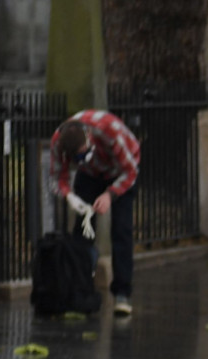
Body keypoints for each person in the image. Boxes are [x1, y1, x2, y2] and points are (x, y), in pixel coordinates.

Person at [48, 111, 142, 316]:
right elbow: (57, 178)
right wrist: (70, 196)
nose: (81, 158)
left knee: (121, 229)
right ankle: (79, 288)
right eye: (77, 158)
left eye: (84, 153)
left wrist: (110, 194)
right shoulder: (58, 141)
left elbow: (131, 171)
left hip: (121, 171)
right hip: (90, 175)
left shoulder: (111, 132)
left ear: (89, 136)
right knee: (82, 231)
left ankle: (122, 293)